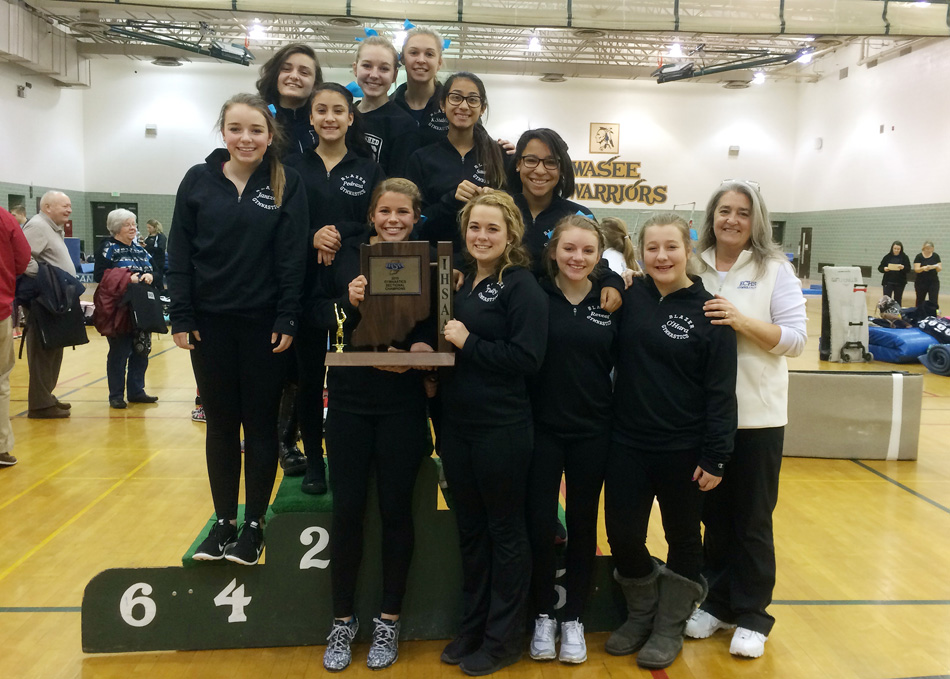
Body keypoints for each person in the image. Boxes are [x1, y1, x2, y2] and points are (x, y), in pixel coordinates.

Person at [168, 93, 307, 566]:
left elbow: (292, 257)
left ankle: (254, 524)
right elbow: (180, 254)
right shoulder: (197, 181)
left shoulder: (287, 183)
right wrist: (181, 315)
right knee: (221, 425)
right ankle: (224, 520)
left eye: (256, 130)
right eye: (236, 129)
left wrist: (288, 315)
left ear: (271, 136)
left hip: (264, 328)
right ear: (223, 132)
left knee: (261, 425)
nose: (245, 138)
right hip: (209, 328)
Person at [604, 213, 737, 670]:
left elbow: (721, 393)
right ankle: (642, 613)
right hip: (627, 444)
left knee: (685, 540)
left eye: (671, 247)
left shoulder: (710, 311)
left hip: (684, 450)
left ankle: (669, 625)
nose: (661, 256)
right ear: (640, 252)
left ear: (688, 250)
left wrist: (716, 456)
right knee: (622, 536)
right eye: (653, 248)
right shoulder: (629, 296)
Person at [685, 181, 807, 659]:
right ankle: (717, 602)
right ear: (712, 216)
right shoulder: (693, 265)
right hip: (703, 419)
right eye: (724, 211)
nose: (731, 220)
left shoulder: (775, 269)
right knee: (713, 517)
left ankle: (754, 612)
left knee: (752, 518)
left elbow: (795, 340)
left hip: (757, 417)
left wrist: (742, 321)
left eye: (742, 212)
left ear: (756, 220)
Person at [318, 178, 434, 672]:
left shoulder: (432, 263)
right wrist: (350, 301)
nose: (393, 219)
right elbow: (323, 316)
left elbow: (437, 329)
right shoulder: (347, 257)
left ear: (416, 217)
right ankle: (342, 622)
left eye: (403, 212)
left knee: (395, 513)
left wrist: (423, 354)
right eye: (384, 210)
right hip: (348, 402)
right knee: (347, 513)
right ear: (371, 214)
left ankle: (389, 620)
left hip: (403, 406)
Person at [439, 191, 548, 676]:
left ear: (510, 236)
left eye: (492, 229)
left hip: (501, 428)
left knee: (505, 532)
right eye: (474, 227)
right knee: (471, 531)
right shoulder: (459, 283)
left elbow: (527, 359)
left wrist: (470, 342)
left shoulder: (521, 285)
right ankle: (474, 625)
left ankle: (504, 638)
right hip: (457, 426)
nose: (481, 236)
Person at [526, 215, 618, 664]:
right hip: (542, 430)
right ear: (553, 251)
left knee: (583, 526)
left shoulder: (612, 301)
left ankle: (574, 618)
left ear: (599, 256)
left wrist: (620, 278)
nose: (576, 258)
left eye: (586, 251)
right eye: (569, 249)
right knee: (541, 527)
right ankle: (544, 614)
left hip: (593, 431)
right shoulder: (535, 293)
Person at [285, 82, 384, 495]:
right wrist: (312, 237)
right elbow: (281, 223)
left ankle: (345, 453)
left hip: (350, 288)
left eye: (338, 110)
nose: (329, 117)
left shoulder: (368, 168)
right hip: (304, 285)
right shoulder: (292, 167)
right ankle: (314, 462)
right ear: (311, 118)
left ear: (350, 117)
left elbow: (374, 222)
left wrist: (335, 234)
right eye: (321, 110)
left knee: (345, 375)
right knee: (309, 378)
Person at [505, 127, 623, 312]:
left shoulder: (578, 215)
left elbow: (597, 263)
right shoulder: (501, 210)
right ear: (518, 163)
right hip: (505, 311)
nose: (540, 170)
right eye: (531, 160)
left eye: (551, 162)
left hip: (557, 316)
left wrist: (612, 283)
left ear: (562, 168)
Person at [406, 71, 506, 251]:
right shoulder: (421, 159)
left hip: (487, 260)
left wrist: (497, 201)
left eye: (473, 99)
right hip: (436, 260)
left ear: (482, 108)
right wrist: (450, 200)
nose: (464, 106)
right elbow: (415, 222)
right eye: (456, 97)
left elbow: (514, 214)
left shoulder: (500, 155)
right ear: (443, 104)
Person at [93, 209, 158, 409]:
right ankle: (116, 395)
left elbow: (158, 271)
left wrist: (152, 276)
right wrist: (125, 277)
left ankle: (137, 391)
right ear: (116, 228)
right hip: (119, 308)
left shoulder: (141, 249)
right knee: (119, 352)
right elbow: (100, 275)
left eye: (134, 224)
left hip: (142, 307)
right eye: (128, 224)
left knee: (141, 350)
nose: (133, 228)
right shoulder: (108, 247)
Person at [21, 190, 75, 419]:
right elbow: (22, 257)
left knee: (55, 346)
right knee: (43, 350)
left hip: (57, 297)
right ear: (47, 207)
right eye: (64, 205)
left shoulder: (52, 228)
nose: (69, 209)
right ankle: (40, 405)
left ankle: (46, 395)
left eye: (70, 205)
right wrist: (45, 276)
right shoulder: (37, 227)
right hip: (44, 299)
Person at [353, 36, 419, 177]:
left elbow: (398, 183)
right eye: (367, 66)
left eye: (384, 68)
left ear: (394, 75)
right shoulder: (344, 115)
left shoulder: (403, 125)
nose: (374, 75)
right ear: (355, 69)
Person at [0, 206, 31, 467]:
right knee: (0, 380)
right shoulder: (3, 217)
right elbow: (22, 260)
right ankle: (0, 447)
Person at [256, 43, 323, 156]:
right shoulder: (259, 119)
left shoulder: (323, 123)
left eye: (304, 72)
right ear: (275, 75)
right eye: (286, 69)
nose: (294, 76)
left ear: (315, 84)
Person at [392, 27, 449, 147]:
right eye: (414, 53)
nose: (421, 60)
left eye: (429, 54)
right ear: (403, 58)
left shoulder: (453, 105)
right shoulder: (390, 106)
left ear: (439, 62)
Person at [877, 241, 911, 306]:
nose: (896, 250)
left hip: (900, 282)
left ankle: (897, 313)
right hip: (888, 281)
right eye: (895, 249)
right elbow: (880, 268)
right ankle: (886, 313)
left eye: (898, 249)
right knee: (886, 299)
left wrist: (903, 267)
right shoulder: (887, 257)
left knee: (898, 299)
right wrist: (884, 269)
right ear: (892, 248)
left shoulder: (904, 257)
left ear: (901, 249)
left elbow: (908, 269)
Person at [913, 240, 941, 310]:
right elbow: (916, 269)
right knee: (920, 299)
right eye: (927, 248)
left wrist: (936, 266)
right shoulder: (919, 256)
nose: (928, 250)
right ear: (924, 248)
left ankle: (933, 314)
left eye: (930, 249)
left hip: (933, 282)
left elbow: (939, 269)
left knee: (933, 300)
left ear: (933, 249)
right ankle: (919, 314)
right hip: (921, 282)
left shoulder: (936, 256)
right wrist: (923, 268)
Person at [143, 219, 167, 289]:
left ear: (155, 227)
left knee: (158, 279)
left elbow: (161, 249)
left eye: (149, 228)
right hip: (149, 260)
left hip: (158, 261)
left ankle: (162, 293)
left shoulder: (161, 237)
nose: (148, 229)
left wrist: (147, 247)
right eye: (147, 227)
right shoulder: (148, 237)